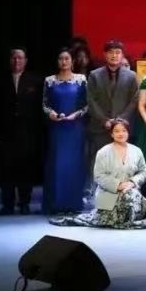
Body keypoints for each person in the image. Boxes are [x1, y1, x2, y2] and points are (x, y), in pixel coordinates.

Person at [50, 118, 146, 229]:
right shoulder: (103, 152)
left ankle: (126, 216)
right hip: (107, 192)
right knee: (110, 213)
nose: (121, 134)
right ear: (111, 134)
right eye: (116, 131)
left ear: (128, 132)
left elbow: (143, 171)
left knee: (129, 197)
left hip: (130, 190)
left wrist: (132, 182)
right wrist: (118, 185)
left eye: (124, 130)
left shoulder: (137, 151)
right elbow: (99, 176)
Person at [85, 40, 139, 207]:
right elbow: (90, 100)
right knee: (101, 167)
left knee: (123, 166)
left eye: (117, 52)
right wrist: (104, 120)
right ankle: (103, 205)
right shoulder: (94, 75)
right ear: (105, 55)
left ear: (122, 55)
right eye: (110, 52)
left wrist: (121, 120)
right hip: (101, 128)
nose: (114, 55)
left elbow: (134, 100)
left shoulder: (131, 76)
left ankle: (122, 205)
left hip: (123, 129)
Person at [0, 48, 43, 215]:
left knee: (26, 169)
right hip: (5, 132)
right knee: (6, 169)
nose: (16, 61)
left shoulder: (36, 81)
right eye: (14, 58)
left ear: (25, 61)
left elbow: (39, 108)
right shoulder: (0, 81)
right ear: (9, 60)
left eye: (20, 58)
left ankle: (24, 203)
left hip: (28, 133)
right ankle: (7, 204)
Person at [41, 48, 87, 214]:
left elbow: (87, 104)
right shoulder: (49, 81)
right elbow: (44, 104)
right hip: (57, 129)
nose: (64, 61)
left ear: (72, 61)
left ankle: (73, 204)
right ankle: (55, 204)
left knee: (74, 164)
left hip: (75, 128)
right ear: (57, 61)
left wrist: (76, 114)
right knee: (56, 164)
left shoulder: (81, 80)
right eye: (61, 58)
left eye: (67, 58)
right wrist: (51, 114)